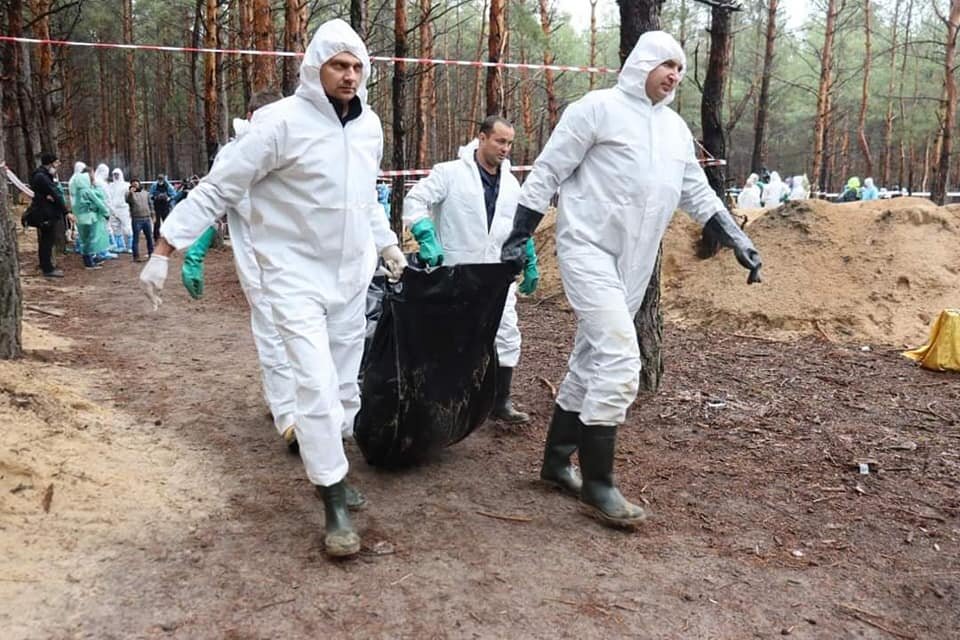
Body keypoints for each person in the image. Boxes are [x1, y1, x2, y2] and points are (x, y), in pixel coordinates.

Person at [138, 19, 406, 558]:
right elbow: (218, 188)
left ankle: (335, 470)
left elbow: (363, 197)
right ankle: (331, 499)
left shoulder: (369, 126)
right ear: (314, 68)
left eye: (357, 66)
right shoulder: (278, 125)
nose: (349, 75)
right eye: (338, 65)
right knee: (312, 384)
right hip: (294, 279)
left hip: (352, 279)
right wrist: (166, 248)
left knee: (343, 391)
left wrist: (387, 244)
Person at [500, 31, 762, 530]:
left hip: (636, 263)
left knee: (590, 359)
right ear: (643, 62)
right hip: (588, 251)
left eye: (681, 70)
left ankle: (556, 463)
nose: (674, 76)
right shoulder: (594, 110)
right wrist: (519, 237)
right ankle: (599, 482)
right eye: (668, 65)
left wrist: (736, 238)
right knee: (622, 358)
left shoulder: (674, 130)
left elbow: (698, 193)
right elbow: (546, 174)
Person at [178, 89, 300, 451]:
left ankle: (294, 404)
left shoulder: (296, 146)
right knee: (273, 333)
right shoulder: (235, 153)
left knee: (304, 333)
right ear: (250, 116)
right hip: (257, 259)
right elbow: (214, 199)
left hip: (299, 258)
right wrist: (196, 250)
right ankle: (289, 418)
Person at [402, 116, 538, 424]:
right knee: (449, 336)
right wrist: (426, 235)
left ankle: (499, 401)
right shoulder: (449, 173)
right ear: (481, 138)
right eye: (500, 141)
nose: (506, 148)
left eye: (510, 143)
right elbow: (416, 199)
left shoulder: (511, 183)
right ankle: (438, 403)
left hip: (497, 274)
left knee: (506, 333)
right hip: (456, 271)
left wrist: (528, 257)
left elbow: (517, 225)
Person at [27, 153, 73, 277]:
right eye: (56, 163)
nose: (58, 165)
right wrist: (66, 212)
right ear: (50, 163)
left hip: (45, 211)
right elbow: (54, 193)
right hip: (45, 213)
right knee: (47, 241)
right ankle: (47, 269)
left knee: (46, 241)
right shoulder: (42, 177)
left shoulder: (42, 175)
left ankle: (45, 265)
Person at [71, 169, 110, 270]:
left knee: (84, 239)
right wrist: (106, 212)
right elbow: (98, 202)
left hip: (80, 218)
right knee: (90, 239)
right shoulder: (87, 191)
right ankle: (89, 262)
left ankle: (89, 260)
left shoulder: (77, 192)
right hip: (90, 218)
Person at [127, 179, 154, 261]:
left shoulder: (146, 193)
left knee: (149, 237)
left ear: (139, 184)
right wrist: (131, 193)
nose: (135, 185)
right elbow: (128, 200)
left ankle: (151, 253)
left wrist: (152, 214)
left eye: (136, 183)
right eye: (133, 184)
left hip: (146, 218)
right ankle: (136, 256)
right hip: (136, 219)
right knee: (136, 238)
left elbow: (150, 204)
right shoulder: (129, 194)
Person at [107, 168, 133, 253]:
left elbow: (130, 196)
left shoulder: (126, 185)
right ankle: (119, 246)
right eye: (114, 174)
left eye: (117, 174)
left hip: (123, 209)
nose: (116, 176)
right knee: (115, 228)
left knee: (127, 228)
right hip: (113, 209)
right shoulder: (110, 185)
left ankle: (130, 246)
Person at [150, 174, 176, 240]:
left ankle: (167, 236)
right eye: (159, 179)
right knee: (157, 223)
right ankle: (156, 237)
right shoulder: (154, 185)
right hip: (157, 205)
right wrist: (155, 197)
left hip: (165, 206)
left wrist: (168, 198)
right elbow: (150, 194)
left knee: (166, 221)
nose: (160, 180)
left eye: (161, 179)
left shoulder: (168, 186)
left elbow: (174, 195)